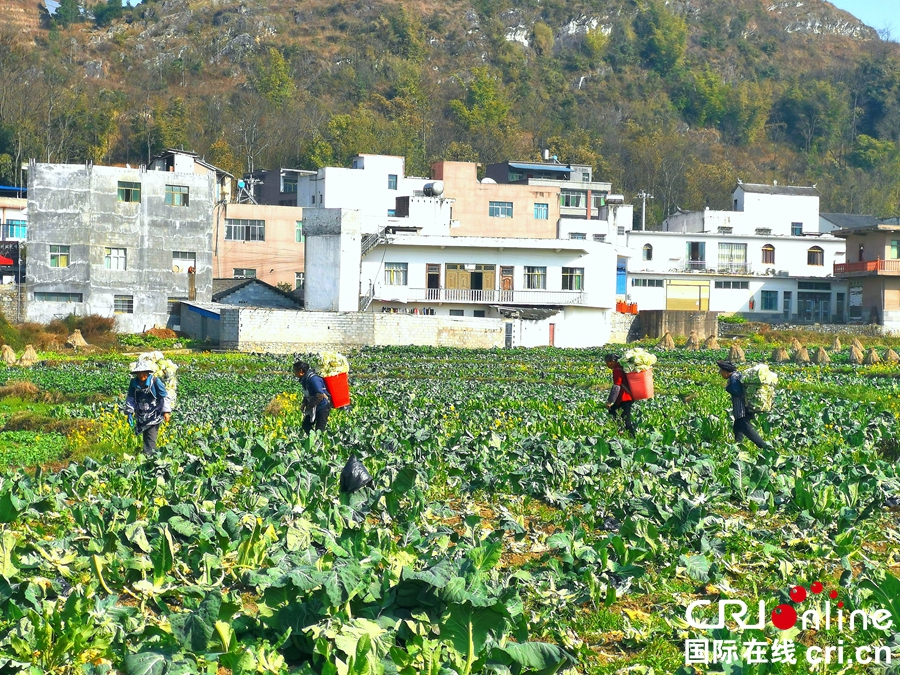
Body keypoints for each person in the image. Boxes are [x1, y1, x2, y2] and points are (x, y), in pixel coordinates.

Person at [717, 360, 770, 450]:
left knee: (746, 428)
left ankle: (764, 446)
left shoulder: (733, 378)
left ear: (726, 371)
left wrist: (727, 388)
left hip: (742, 409)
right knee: (737, 427)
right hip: (746, 407)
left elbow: (737, 391)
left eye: (721, 372)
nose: (721, 374)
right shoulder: (737, 375)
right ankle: (737, 446)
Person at [124, 359, 172, 454]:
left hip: (154, 414)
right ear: (136, 373)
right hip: (142, 415)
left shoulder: (155, 381)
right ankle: (148, 456)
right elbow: (130, 398)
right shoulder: (134, 383)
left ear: (147, 372)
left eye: (144, 373)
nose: (142, 375)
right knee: (146, 436)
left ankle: (150, 458)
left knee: (151, 437)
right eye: (139, 373)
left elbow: (164, 396)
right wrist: (129, 412)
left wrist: (166, 412)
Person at [294, 360, 332, 433]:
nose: (294, 373)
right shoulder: (305, 379)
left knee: (320, 429)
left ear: (301, 371)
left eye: (295, 371)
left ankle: (318, 442)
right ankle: (313, 440)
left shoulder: (313, 379)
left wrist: (309, 406)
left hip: (322, 406)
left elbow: (320, 395)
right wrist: (304, 403)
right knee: (306, 425)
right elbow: (308, 393)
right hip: (314, 405)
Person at [604, 353, 636, 437]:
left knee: (626, 420)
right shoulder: (621, 368)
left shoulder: (617, 370)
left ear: (612, 361)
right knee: (614, 412)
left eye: (607, 362)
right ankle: (621, 433)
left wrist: (610, 401)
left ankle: (632, 438)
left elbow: (617, 386)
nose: (607, 365)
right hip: (624, 398)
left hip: (625, 398)